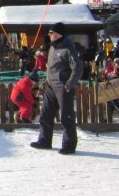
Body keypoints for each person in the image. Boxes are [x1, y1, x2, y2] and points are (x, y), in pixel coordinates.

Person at [31, 22, 83, 155]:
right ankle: (44, 141)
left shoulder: (68, 48)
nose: (49, 35)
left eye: (51, 33)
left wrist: (69, 83)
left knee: (66, 117)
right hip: (51, 85)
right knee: (45, 114)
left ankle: (69, 145)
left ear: (58, 33)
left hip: (63, 86)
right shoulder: (52, 48)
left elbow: (77, 68)